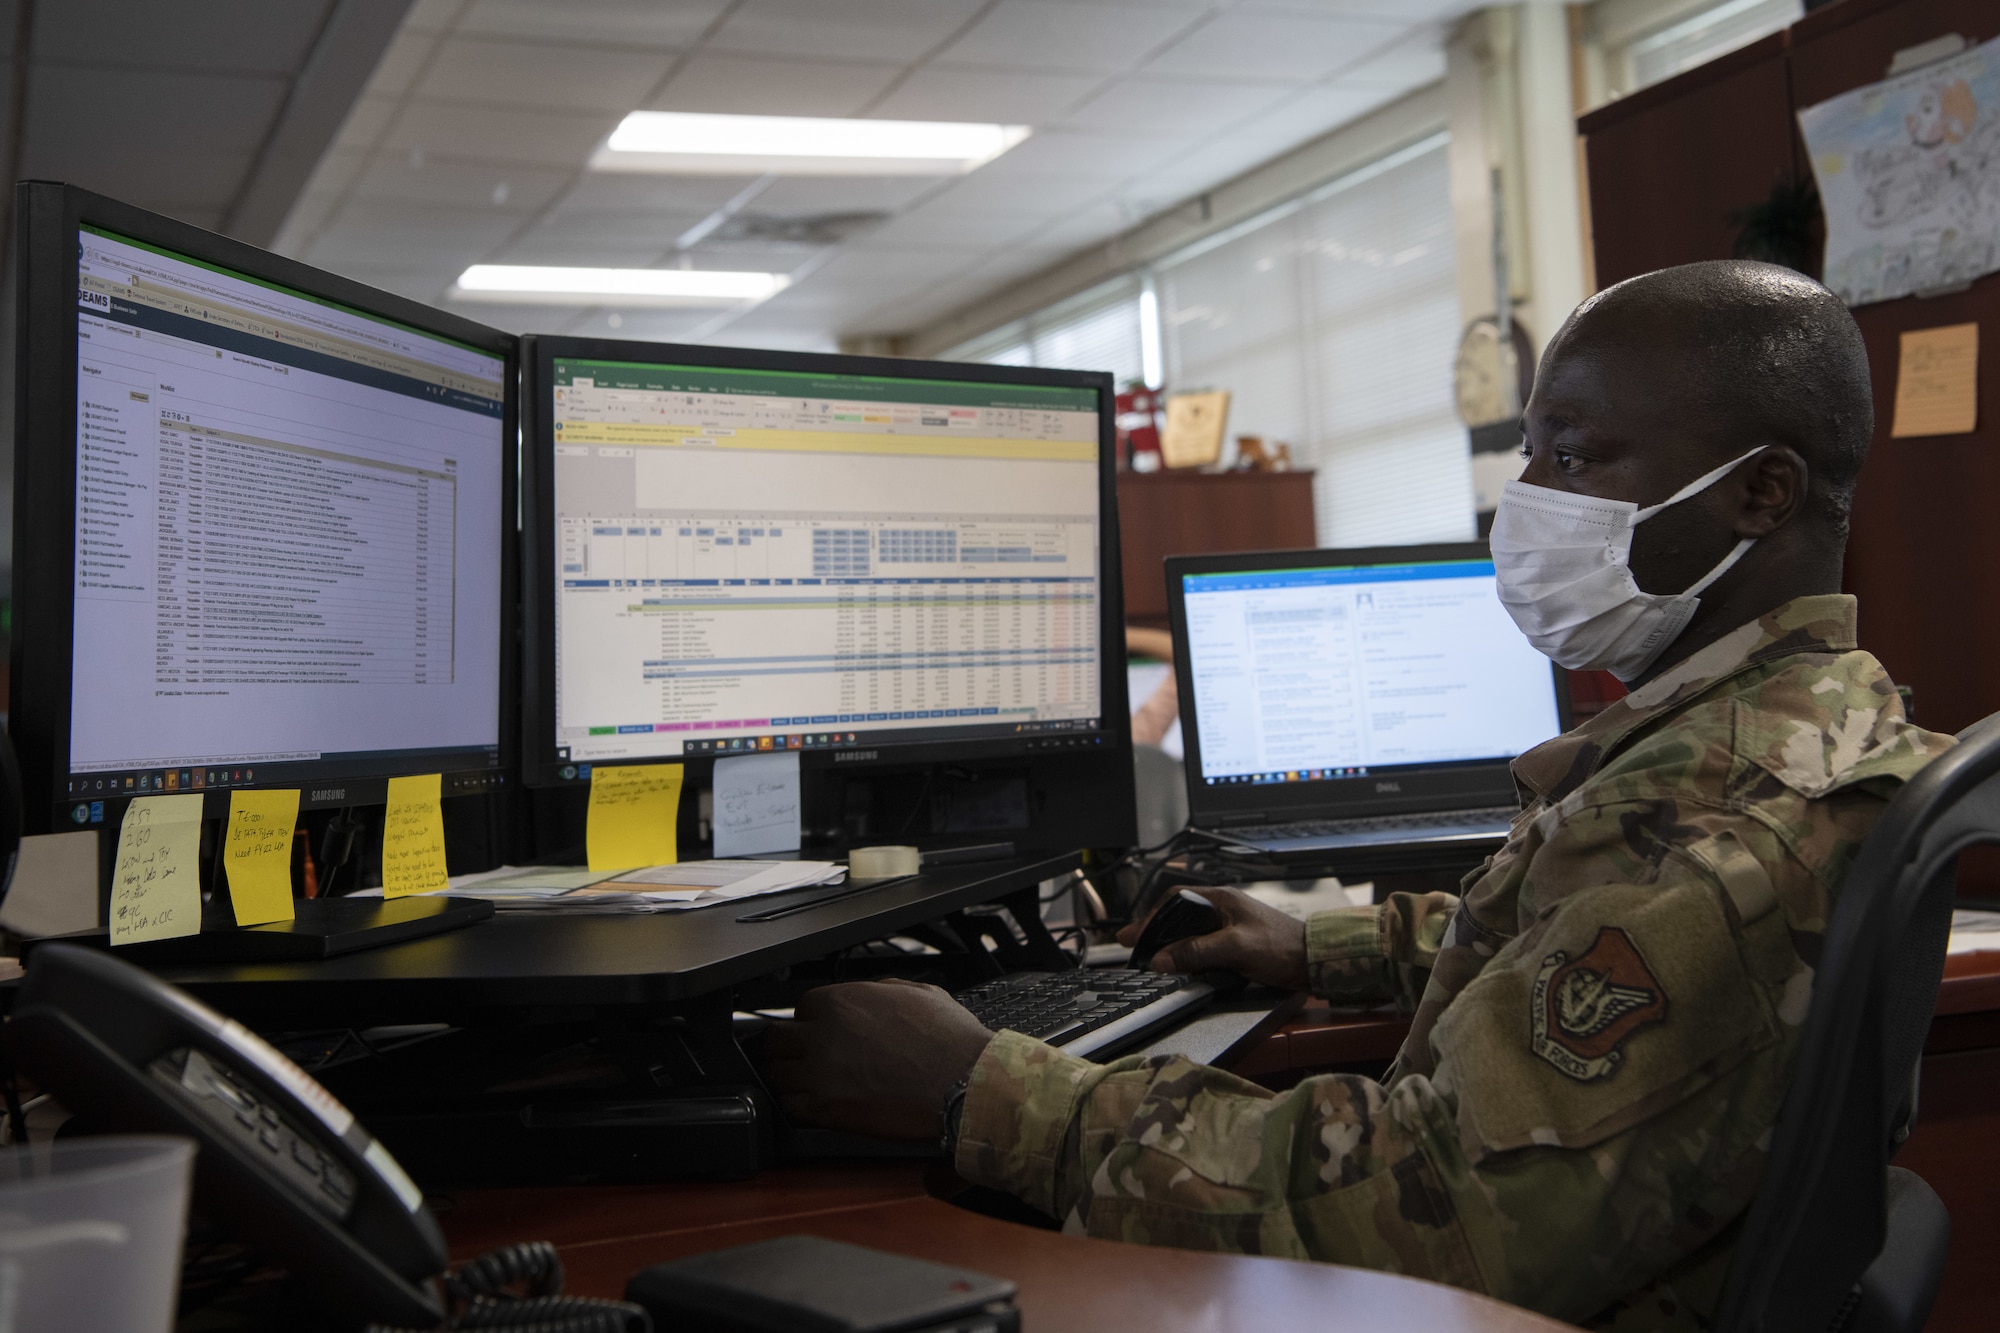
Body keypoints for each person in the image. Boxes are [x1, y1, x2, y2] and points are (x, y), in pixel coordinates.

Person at [765, 261, 1954, 1331]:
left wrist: (983, 1089)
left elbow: (1429, 1214)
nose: (1525, 495)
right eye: (1530, 451)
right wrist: (1322, 944)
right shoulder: (1813, 711)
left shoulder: (1716, 819)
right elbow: (1581, 946)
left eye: (1576, 457)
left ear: (1760, 494)